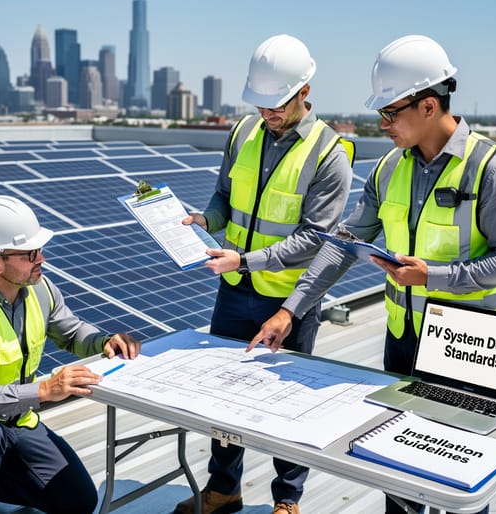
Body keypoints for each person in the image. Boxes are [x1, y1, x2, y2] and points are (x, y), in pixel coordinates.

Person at [249, 35, 496, 514]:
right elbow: (342, 245)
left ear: (427, 106)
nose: (382, 125)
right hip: (405, 339)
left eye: (389, 113)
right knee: (399, 470)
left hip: (472, 348)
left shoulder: (492, 170)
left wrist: (434, 276)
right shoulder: (386, 170)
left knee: (462, 479)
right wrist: (289, 311)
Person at [174, 34, 355, 514]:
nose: (267, 114)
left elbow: (315, 239)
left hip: (288, 302)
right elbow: (223, 197)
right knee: (223, 398)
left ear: (304, 91)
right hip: (234, 291)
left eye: (276, 105)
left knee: (288, 405)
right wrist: (205, 220)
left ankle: (287, 502)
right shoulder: (242, 134)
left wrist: (245, 261)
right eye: (260, 105)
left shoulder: (330, 153)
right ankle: (224, 488)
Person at [0, 195, 141, 514]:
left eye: (39, 250)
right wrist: (43, 391)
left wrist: (104, 341)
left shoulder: (41, 288)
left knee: (78, 502)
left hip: (17, 418)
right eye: (29, 254)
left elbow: (70, 331)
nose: (41, 259)